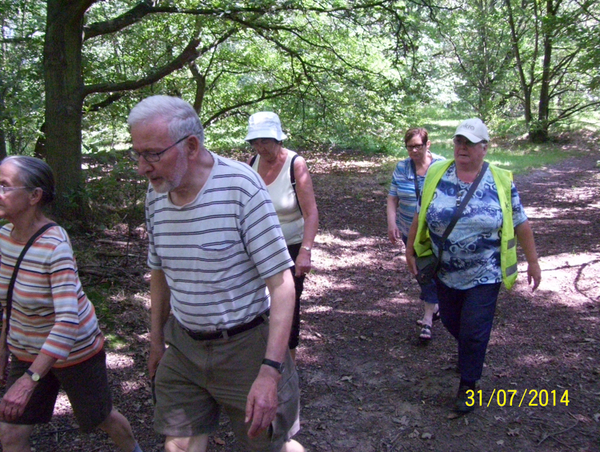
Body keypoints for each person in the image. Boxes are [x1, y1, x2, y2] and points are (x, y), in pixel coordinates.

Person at [127, 95, 304, 452]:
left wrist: (270, 371)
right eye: (138, 154)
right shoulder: (156, 192)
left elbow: (282, 284)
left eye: (153, 154)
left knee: (270, 447)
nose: (142, 167)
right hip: (183, 345)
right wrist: (157, 340)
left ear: (191, 146)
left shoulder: (241, 186)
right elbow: (159, 271)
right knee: (178, 446)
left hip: (246, 346)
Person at [0, 156, 143, 452]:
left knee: (103, 419)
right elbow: (7, 304)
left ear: (34, 196)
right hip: (26, 350)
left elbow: (68, 321)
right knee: (10, 433)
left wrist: (29, 381)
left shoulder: (55, 246)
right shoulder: (2, 238)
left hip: (75, 353)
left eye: (4, 186)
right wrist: (4, 349)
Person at [405, 118, 541, 413]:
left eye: (469, 142)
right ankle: (469, 352)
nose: (462, 147)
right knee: (454, 322)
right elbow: (421, 212)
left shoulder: (500, 180)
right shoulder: (437, 174)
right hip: (444, 270)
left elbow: (520, 222)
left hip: (486, 271)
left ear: (484, 148)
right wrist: (410, 250)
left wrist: (533, 261)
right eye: (458, 141)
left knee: (474, 329)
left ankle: (468, 384)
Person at [245, 112, 319, 360]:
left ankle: (288, 362)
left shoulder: (296, 164)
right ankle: (260, 358)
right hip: (258, 247)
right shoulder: (252, 162)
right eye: (255, 142)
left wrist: (306, 252)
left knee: (288, 304)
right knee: (257, 304)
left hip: (291, 247)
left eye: (265, 140)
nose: (260, 147)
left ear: (277, 139)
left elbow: (310, 214)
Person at [386, 128, 445, 341]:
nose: (413, 151)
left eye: (417, 146)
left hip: (436, 231)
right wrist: (392, 223)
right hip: (408, 229)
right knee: (419, 270)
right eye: (409, 147)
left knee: (430, 269)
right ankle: (433, 307)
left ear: (427, 145)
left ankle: (429, 318)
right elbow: (393, 197)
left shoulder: (442, 165)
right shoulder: (402, 168)